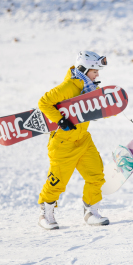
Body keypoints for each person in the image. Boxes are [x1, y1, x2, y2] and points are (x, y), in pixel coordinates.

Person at [37, 51, 110, 230]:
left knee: (96, 175)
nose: (97, 74)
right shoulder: (68, 87)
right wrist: (60, 120)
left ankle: (91, 212)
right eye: (95, 71)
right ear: (84, 70)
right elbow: (43, 102)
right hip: (63, 142)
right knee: (58, 181)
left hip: (83, 139)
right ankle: (45, 214)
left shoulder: (90, 87)